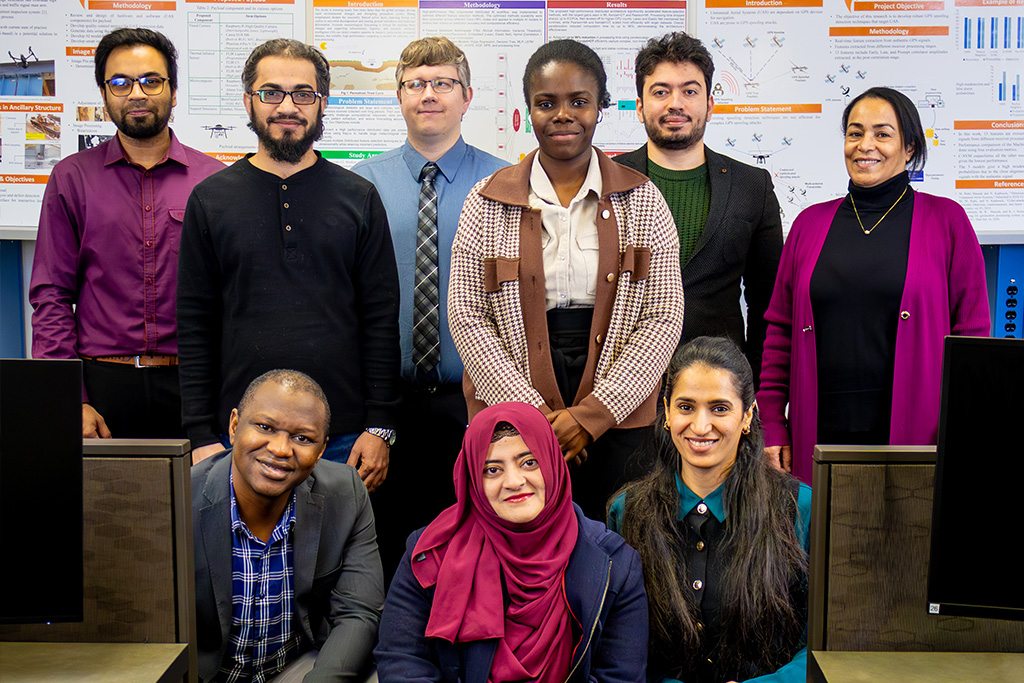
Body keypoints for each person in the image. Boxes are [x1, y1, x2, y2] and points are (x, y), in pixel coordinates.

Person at [448, 39, 683, 519]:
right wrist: (533, 418)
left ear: (602, 108)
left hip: (620, 403)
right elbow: (467, 315)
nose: (563, 114)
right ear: (527, 110)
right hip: (511, 392)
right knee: (524, 542)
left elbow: (663, 317)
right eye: (546, 103)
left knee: (625, 541)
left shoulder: (644, 199)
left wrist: (592, 417)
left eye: (579, 101)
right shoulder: (485, 201)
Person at [178, 38, 401, 487]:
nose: (287, 106)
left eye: (303, 94)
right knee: (241, 558)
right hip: (238, 437)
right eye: (271, 92)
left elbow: (380, 318)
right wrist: (201, 432)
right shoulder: (210, 199)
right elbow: (195, 323)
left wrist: (380, 426)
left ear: (321, 103)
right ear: (249, 101)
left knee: (336, 556)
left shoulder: (358, 197)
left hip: (341, 438)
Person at [757, 86, 990, 482]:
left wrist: (964, 428)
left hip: (920, 438)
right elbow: (780, 334)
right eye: (854, 132)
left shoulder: (947, 221)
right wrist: (773, 424)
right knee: (819, 541)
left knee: (909, 542)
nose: (866, 145)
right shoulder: (808, 226)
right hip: (820, 435)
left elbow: (973, 340)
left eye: (882, 133)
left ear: (910, 148)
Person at [351, 37, 507, 580]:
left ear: (467, 96)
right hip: (384, 404)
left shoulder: (506, 183)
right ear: (399, 97)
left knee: (473, 543)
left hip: (475, 398)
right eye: (416, 83)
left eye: (443, 83)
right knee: (387, 545)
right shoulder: (361, 185)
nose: (429, 94)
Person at [29, 28, 223, 439]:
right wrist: (70, 397)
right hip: (102, 388)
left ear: (173, 92)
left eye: (152, 80)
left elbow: (235, 298)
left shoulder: (216, 182)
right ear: (104, 95)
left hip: (196, 386)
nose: (136, 93)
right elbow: (51, 295)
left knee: (195, 502)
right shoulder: (71, 179)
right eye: (120, 82)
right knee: (108, 503)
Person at [375, 402, 648, 682]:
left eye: (529, 462)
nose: (514, 481)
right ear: (472, 481)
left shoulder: (615, 564)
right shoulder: (430, 553)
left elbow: (620, 677)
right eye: (492, 470)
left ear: (552, 463)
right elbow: (402, 662)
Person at [609, 336, 810, 683]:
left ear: (747, 415)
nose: (701, 427)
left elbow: (824, 640)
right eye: (686, 407)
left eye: (719, 408)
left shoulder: (799, 507)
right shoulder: (627, 511)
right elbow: (619, 646)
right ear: (667, 412)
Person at [192, 369, 383, 682]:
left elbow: (358, 613)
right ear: (235, 425)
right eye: (265, 427)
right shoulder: (181, 496)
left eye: (302, 438)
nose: (281, 449)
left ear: (321, 451)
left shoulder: (345, 493)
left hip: (294, 671)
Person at [614, 32, 782, 382]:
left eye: (689, 91)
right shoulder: (607, 181)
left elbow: (769, 305)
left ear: (709, 104)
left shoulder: (752, 186)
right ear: (641, 105)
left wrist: (751, 384)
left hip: (719, 388)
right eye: (661, 92)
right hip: (621, 391)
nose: (676, 103)